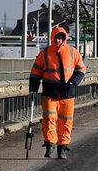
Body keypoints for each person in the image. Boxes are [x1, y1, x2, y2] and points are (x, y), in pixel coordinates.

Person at [29, 25, 87, 159]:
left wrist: (73, 82)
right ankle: (50, 144)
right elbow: (35, 73)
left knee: (66, 121)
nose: (58, 41)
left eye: (61, 38)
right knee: (49, 118)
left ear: (64, 38)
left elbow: (81, 69)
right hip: (50, 92)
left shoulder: (73, 52)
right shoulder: (44, 53)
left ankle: (62, 147)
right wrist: (33, 89)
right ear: (52, 38)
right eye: (56, 38)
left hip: (67, 92)